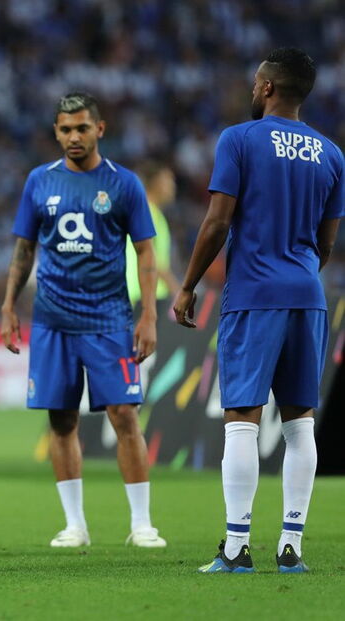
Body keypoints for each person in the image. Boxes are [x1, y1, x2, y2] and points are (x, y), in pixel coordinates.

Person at [174, 47, 343, 574]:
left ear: (267, 87)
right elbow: (327, 243)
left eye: (255, 82)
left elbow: (217, 222)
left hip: (254, 295)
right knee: (300, 423)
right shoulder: (332, 154)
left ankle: (236, 547)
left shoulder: (239, 139)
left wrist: (188, 285)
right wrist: (299, 271)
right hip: (308, 296)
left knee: (242, 419)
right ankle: (291, 546)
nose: (252, 89)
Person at [1, 92, 167, 549]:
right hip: (52, 320)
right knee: (61, 420)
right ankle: (75, 525)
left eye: (82, 128)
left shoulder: (124, 184)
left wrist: (149, 314)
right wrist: (8, 305)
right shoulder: (39, 181)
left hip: (109, 319)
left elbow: (146, 251)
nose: (74, 136)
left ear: (100, 129)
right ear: (56, 133)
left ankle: (142, 524)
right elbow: (24, 249)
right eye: (65, 129)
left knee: (124, 415)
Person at [126, 162, 181, 307]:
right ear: (156, 182)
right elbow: (155, 260)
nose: (173, 186)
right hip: (146, 296)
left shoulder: (145, 212)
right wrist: (178, 292)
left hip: (139, 295)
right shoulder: (149, 214)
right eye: (168, 180)